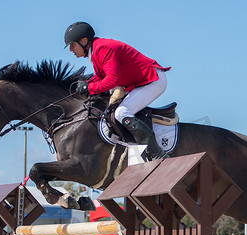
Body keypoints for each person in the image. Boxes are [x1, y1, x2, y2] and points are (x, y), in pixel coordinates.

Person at [64, 21, 170, 159]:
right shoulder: (95, 50)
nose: (71, 50)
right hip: (140, 82)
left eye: (72, 45)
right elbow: (102, 76)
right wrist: (87, 83)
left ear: (84, 41)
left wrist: (89, 87)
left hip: (153, 80)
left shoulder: (102, 48)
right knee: (111, 111)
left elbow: (112, 80)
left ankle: (157, 154)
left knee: (122, 112)